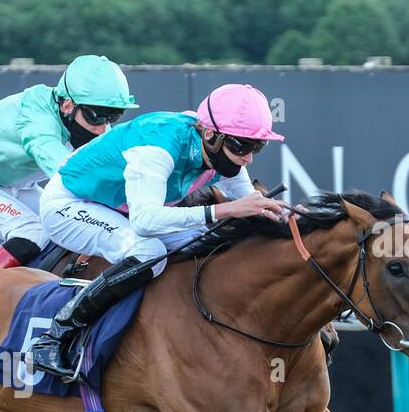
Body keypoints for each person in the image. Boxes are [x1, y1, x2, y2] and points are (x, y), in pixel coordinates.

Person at [27, 84, 289, 379]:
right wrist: (224, 210)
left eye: (257, 147)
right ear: (210, 135)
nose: (248, 158)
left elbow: (252, 204)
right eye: (241, 147)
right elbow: (145, 222)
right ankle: (55, 336)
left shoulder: (221, 148)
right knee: (148, 252)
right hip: (71, 205)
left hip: (121, 207)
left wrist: (292, 217)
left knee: (212, 244)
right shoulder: (158, 147)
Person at [0, 55, 137, 269]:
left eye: (112, 117)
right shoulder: (37, 118)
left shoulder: (85, 116)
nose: (102, 128)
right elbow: (69, 174)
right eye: (95, 117)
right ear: (68, 105)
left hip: (17, 187)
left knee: (65, 223)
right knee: (31, 232)